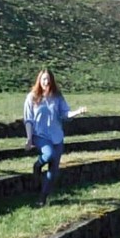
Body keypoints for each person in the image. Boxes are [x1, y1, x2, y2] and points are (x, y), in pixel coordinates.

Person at [24, 69, 87, 206]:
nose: (46, 82)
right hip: (39, 135)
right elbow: (28, 119)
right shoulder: (32, 97)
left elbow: (65, 113)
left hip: (56, 137)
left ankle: (42, 198)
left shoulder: (57, 97)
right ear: (39, 81)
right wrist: (29, 139)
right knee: (49, 154)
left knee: (53, 173)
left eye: (48, 79)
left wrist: (77, 112)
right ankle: (37, 165)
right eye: (43, 79)